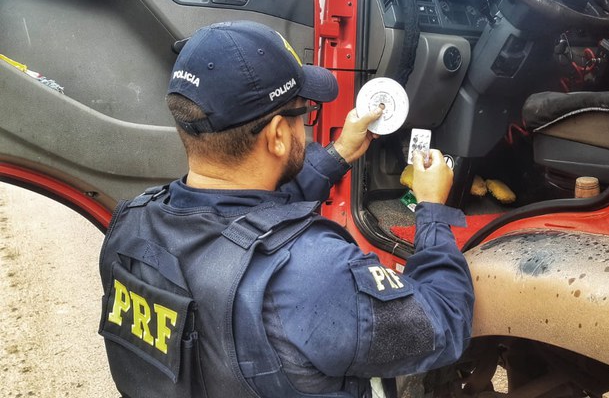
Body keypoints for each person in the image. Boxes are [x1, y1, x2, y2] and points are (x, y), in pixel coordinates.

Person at [98, 20, 474, 398]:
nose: (305, 125)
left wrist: (338, 153)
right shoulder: (315, 274)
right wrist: (431, 208)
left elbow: (242, 216)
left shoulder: (131, 224)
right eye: (303, 112)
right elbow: (446, 321)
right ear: (278, 135)